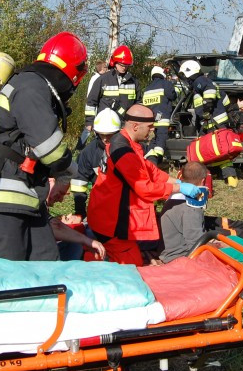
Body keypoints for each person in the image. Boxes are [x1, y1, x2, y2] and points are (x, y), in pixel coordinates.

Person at [0, 32, 87, 261]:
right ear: (74, 72)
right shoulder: (32, 86)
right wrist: (70, 173)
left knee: (46, 262)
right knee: (5, 268)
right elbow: (49, 147)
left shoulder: (34, 84)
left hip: (20, 192)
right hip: (0, 191)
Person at [86, 104, 203, 265]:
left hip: (106, 215)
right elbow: (145, 189)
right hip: (110, 224)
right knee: (133, 269)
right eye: (150, 127)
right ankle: (95, 260)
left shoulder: (125, 143)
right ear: (135, 126)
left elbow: (150, 171)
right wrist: (179, 188)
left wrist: (179, 182)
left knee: (136, 259)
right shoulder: (123, 152)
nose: (152, 131)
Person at [159, 162, 243, 263]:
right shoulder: (191, 207)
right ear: (203, 181)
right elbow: (196, 244)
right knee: (241, 250)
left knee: (231, 240)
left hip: (174, 251)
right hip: (182, 257)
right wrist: (218, 245)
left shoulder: (172, 199)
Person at [178, 59, 239, 187]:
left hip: (212, 122)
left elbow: (209, 90)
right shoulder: (207, 82)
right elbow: (225, 100)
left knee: (204, 150)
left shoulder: (200, 81)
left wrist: (207, 108)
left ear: (189, 73)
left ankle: (201, 177)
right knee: (220, 151)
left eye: (184, 76)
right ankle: (229, 177)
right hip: (216, 122)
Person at [71, 109, 122, 218]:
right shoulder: (89, 152)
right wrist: (80, 212)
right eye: (102, 135)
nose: (105, 139)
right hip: (101, 203)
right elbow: (79, 181)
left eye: (109, 135)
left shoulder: (127, 149)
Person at [84, 45, 139, 129]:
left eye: (126, 65)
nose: (124, 67)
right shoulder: (103, 79)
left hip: (125, 125)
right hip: (105, 125)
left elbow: (138, 103)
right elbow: (91, 101)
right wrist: (89, 122)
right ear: (115, 63)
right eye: (121, 65)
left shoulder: (134, 81)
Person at [142, 65, 178, 164]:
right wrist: (176, 91)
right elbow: (172, 96)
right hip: (162, 118)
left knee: (155, 139)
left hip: (151, 120)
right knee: (161, 139)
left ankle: (149, 157)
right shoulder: (166, 84)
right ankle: (156, 161)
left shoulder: (147, 89)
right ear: (162, 74)